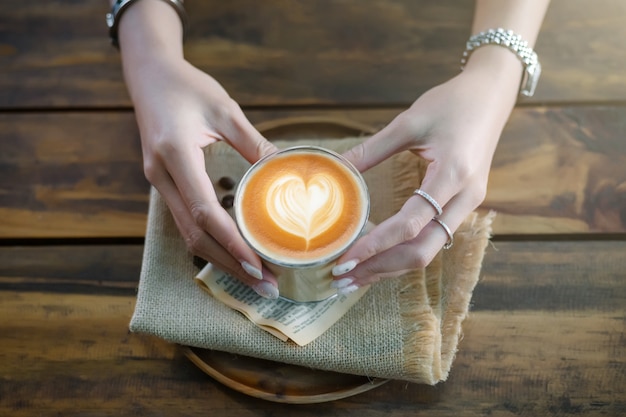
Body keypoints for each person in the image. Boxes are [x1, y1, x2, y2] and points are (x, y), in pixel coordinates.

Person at [108, 0, 550, 299]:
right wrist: (151, 54)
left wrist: (493, 76)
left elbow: (495, 74)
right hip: (217, 58)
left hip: (423, 53)